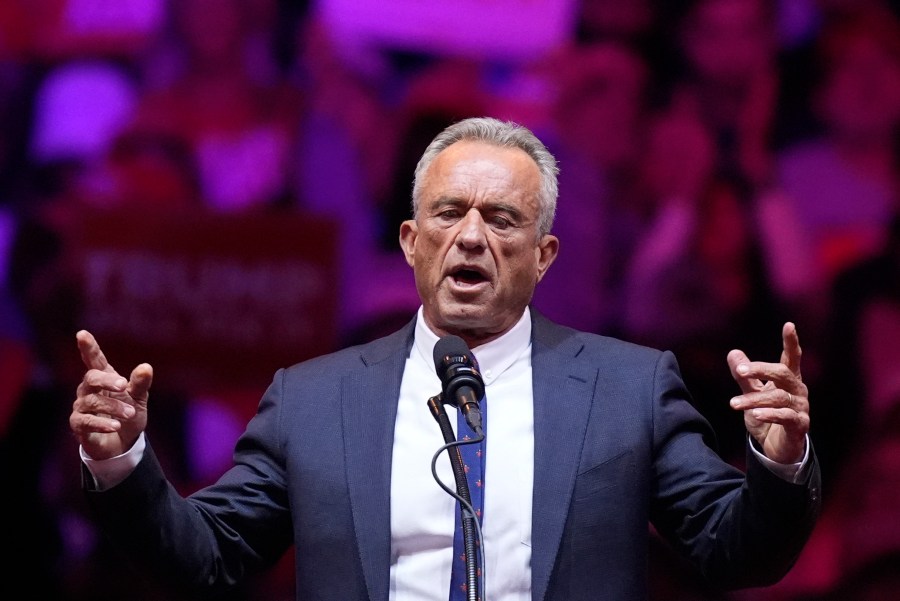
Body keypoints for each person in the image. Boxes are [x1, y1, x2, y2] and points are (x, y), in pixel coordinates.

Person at [69, 117, 821, 601]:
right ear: (409, 241)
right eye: (448, 213)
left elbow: (734, 552)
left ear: (544, 255)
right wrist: (122, 460)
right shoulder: (312, 399)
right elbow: (206, 557)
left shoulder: (629, 387)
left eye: (501, 219)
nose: (469, 236)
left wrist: (780, 462)